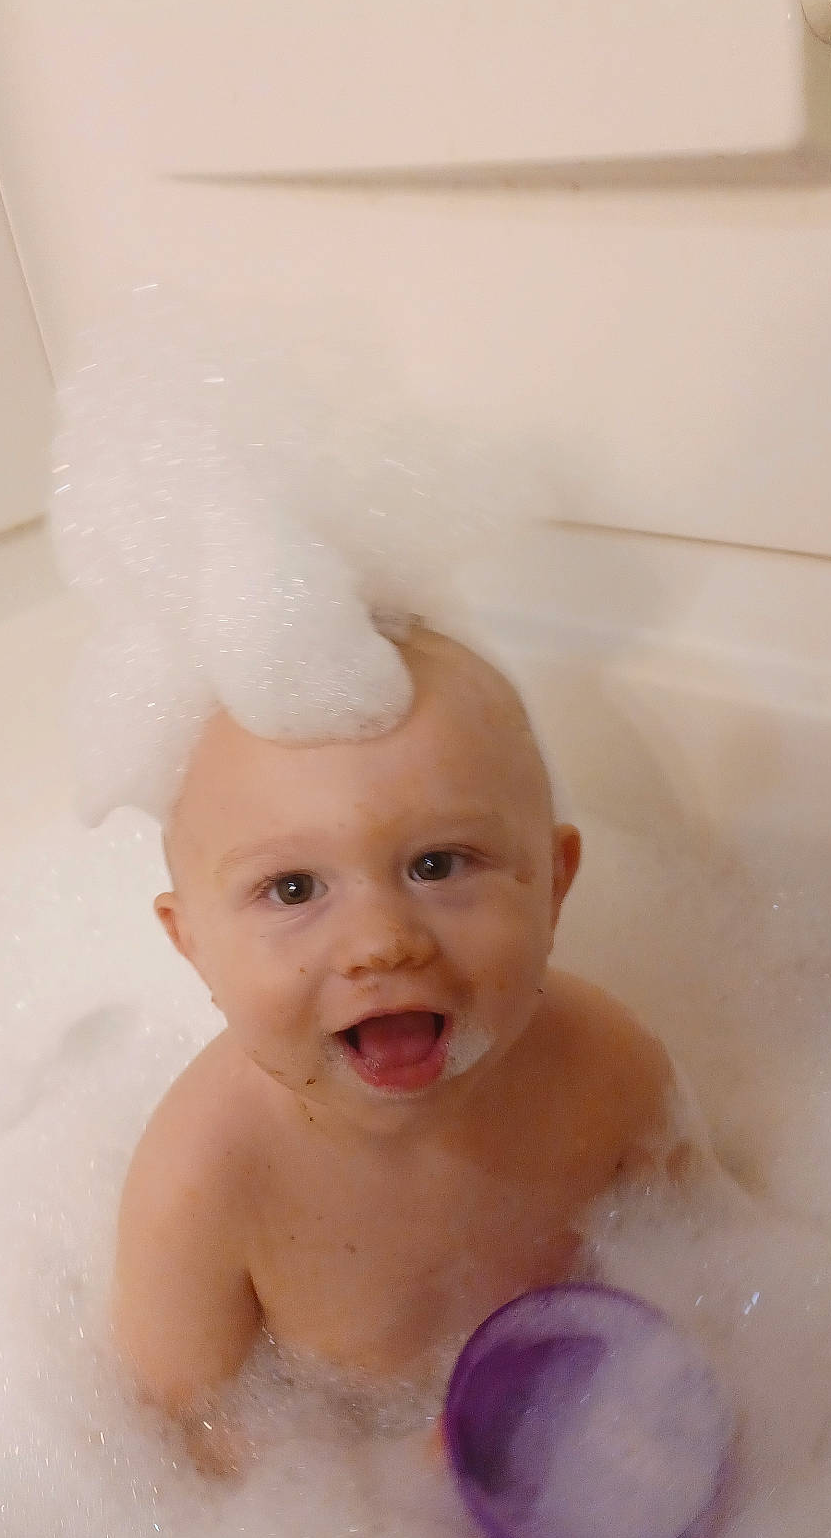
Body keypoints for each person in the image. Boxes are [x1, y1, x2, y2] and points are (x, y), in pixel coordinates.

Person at [113, 627, 706, 1468]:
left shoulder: (606, 1065)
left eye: (438, 865)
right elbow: (180, 1439)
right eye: (293, 888)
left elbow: (707, 1262)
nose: (381, 941)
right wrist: (394, 1493)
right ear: (192, 943)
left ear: (554, 883)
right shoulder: (204, 1183)